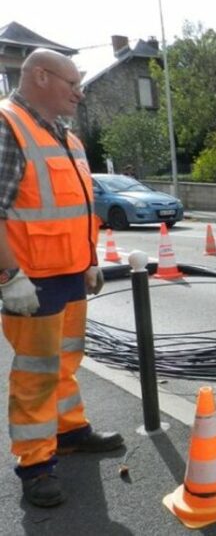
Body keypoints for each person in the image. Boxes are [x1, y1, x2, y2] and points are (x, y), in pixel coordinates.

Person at [0, 49, 124, 507]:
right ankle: (35, 463)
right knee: (36, 373)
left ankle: (69, 431)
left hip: (70, 273)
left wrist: (89, 260)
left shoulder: (68, 138)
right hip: (31, 280)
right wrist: (8, 276)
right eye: (73, 82)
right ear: (40, 76)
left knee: (66, 360)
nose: (80, 92)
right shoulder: (8, 124)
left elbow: (79, 210)